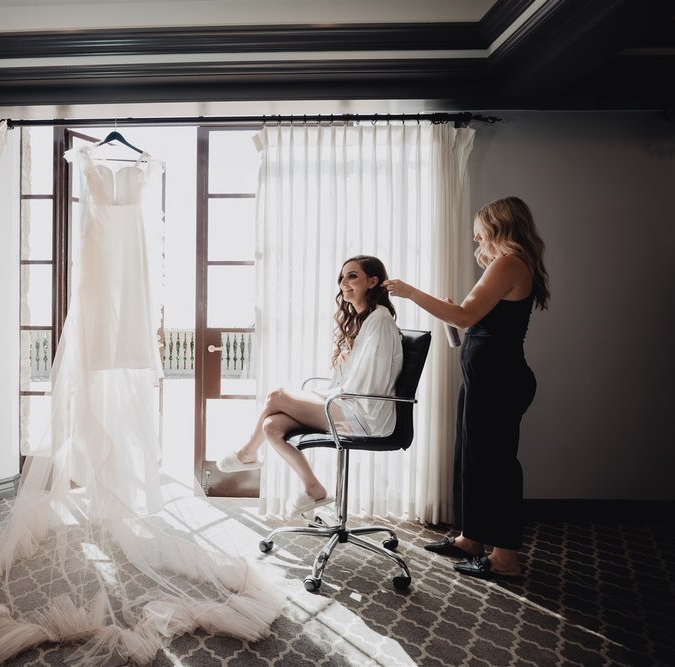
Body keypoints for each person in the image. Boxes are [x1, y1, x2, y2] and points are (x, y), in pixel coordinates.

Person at [384, 196, 550, 580]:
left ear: (499, 227)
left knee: (497, 465)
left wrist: (411, 292)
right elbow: (473, 322)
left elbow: (465, 314)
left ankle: (505, 558)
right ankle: (471, 538)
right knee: (472, 457)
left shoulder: (509, 262)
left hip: (499, 380)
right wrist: (454, 316)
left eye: (481, 235)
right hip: (486, 378)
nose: (478, 244)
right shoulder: (505, 264)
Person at [217, 255, 403, 519]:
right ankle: (314, 488)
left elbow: (371, 382)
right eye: (342, 277)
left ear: (373, 282)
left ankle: (248, 452)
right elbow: (349, 377)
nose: (344, 283)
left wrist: (331, 392)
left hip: (366, 415)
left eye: (352, 276)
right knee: (271, 426)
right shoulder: (363, 320)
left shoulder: (380, 321)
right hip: (349, 405)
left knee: (276, 396)